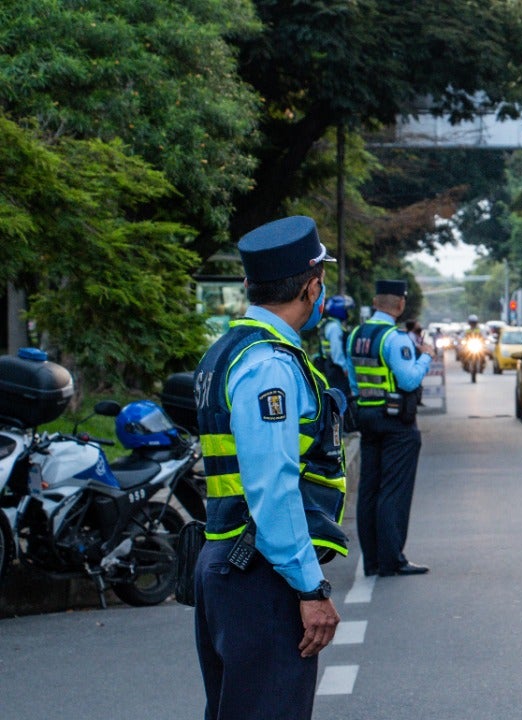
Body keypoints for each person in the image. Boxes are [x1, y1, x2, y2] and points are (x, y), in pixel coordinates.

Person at [192, 215, 346, 720]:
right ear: (311, 285)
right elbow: (273, 488)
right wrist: (309, 587)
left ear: (248, 286)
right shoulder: (268, 365)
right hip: (259, 571)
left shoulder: (228, 351)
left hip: (231, 560)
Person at [345, 279, 434, 577]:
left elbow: (353, 380)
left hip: (367, 417)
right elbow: (409, 380)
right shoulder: (394, 339)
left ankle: (372, 560)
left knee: (370, 487)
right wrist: (426, 356)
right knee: (393, 490)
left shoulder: (356, 335)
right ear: (400, 305)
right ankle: (391, 559)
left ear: (374, 301)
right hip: (396, 421)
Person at [316, 294, 354, 392]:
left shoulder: (327, 323)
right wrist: (345, 369)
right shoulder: (335, 327)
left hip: (329, 366)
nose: (348, 313)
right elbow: (337, 352)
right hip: (336, 369)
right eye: (346, 309)